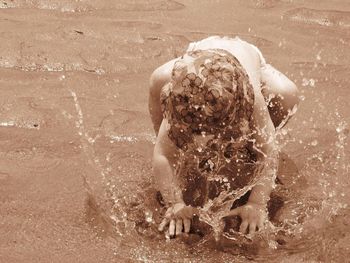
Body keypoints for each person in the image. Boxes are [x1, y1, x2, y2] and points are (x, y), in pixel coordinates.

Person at [148, 36, 299, 238]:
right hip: (196, 61)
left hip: (245, 57)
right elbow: (163, 156)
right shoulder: (182, 102)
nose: (205, 140)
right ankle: (175, 139)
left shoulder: (253, 101)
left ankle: (249, 141)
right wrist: (174, 202)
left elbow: (270, 153)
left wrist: (256, 204)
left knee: (287, 94)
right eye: (196, 129)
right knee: (158, 78)